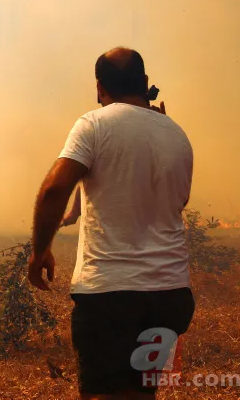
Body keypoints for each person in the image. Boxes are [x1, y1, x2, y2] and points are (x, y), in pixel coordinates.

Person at [28, 48, 195, 399]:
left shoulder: (93, 124)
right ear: (145, 83)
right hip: (170, 295)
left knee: (105, 392)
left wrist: (40, 250)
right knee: (140, 391)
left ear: (100, 88)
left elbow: (55, 188)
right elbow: (179, 202)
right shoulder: (177, 134)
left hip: (112, 294)